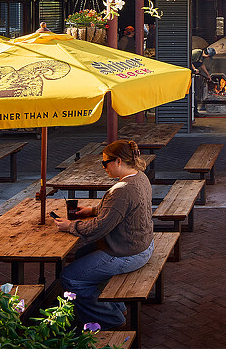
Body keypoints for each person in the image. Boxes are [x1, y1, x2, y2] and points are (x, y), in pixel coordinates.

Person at [55, 139, 153, 329]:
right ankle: (112, 304)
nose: (103, 167)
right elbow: (118, 210)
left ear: (118, 161)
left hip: (127, 253)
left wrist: (70, 226)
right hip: (142, 245)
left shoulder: (122, 190)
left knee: (69, 277)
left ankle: (109, 317)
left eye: (105, 163)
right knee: (82, 255)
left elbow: (98, 229)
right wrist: (92, 210)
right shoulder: (140, 176)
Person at [190, 46, 216, 117]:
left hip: (192, 75)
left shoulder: (202, 57)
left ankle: (195, 112)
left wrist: (208, 75)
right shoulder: (197, 52)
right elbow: (188, 59)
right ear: (207, 54)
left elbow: (202, 65)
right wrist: (194, 69)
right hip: (188, 74)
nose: (208, 58)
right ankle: (193, 113)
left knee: (194, 93)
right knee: (191, 94)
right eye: (209, 57)